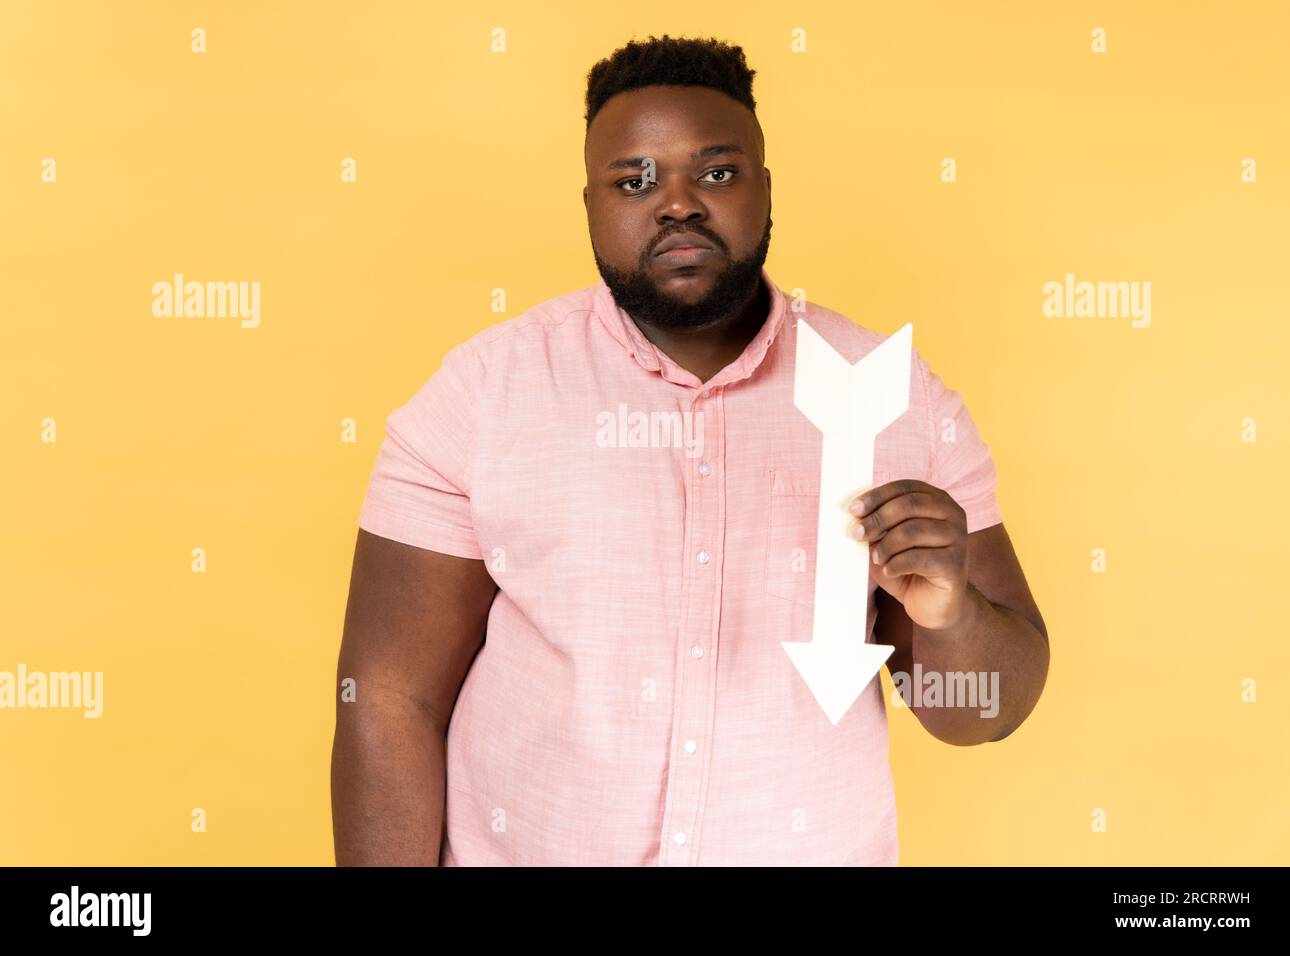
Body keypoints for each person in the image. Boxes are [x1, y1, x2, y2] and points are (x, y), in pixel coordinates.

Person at [331, 34, 1049, 866]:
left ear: (766, 188)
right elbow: (389, 699)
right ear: (591, 204)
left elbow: (984, 713)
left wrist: (949, 615)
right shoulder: (481, 394)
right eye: (634, 179)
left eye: (715, 172)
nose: (677, 203)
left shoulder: (896, 398)